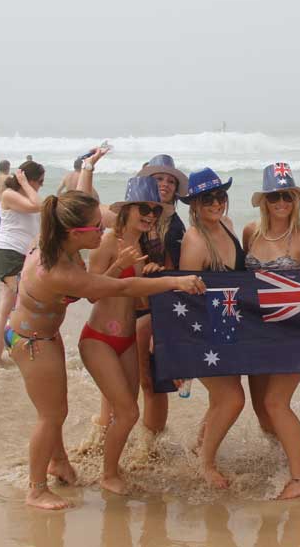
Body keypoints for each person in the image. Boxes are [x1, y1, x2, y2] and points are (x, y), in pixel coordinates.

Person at [8, 148, 206, 510]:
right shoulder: (61, 269)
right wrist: (174, 284)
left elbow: (84, 207)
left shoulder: (62, 244)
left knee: (66, 412)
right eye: (97, 227)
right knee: (54, 415)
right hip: (33, 340)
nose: (102, 229)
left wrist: (88, 169)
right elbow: (116, 289)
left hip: (52, 334)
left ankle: (60, 463)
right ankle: (36, 488)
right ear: (76, 232)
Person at [78, 175, 166, 495]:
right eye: (144, 207)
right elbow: (90, 291)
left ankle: (112, 466)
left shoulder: (140, 246)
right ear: (127, 209)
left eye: (155, 210)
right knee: (129, 412)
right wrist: (119, 266)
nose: (150, 215)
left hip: (127, 339)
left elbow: (137, 300)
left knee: (125, 412)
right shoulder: (107, 242)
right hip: (98, 338)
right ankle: (108, 475)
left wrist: (152, 278)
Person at [243, 162, 300, 499]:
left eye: (287, 196)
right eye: (275, 196)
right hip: (256, 331)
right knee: (261, 406)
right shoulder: (251, 233)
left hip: (292, 331)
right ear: (264, 200)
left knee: (277, 402)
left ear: (294, 200)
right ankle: (288, 456)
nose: (281, 203)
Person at [178, 168, 245, 489]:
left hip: (229, 326)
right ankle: (206, 463)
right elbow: (185, 295)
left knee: (222, 397)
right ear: (194, 205)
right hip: (205, 330)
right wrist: (184, 350)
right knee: (232, 399)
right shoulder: (194, 240)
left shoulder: (228, 227)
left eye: (220, 196)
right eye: (208, 199)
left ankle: (199, 446)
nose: (216, 204)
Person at [130, 154, 189, 445]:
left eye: (170, 181)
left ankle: (150, 447)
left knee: (150, 384)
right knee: (124, 385)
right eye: (159, 179)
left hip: (152, 311)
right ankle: (107, 442)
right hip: (124, 310)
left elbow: (179, 274)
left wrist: (165, 328)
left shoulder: (174, 227)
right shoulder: (131, 216)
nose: (165, 184)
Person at [0, 161, 44, 367]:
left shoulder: (27, 196)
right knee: (25, 302)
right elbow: (37, 205)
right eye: (39, 182)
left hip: (23, 256)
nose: (40, 186)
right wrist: (25, 184)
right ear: (27, 180)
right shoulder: (9, 195)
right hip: (8, 254)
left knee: (6, 309)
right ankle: (18, 352)